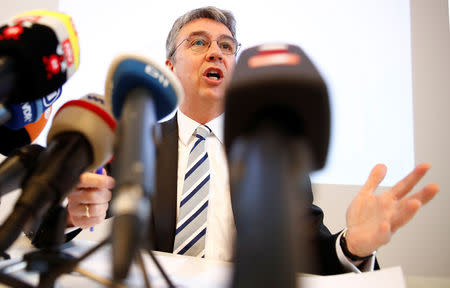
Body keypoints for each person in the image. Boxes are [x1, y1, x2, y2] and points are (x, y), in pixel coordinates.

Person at [62, 6, 439, 275]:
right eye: (198, 42)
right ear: (170, 65)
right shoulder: (136, 139)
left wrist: (352, 245)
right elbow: (64, 216)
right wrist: (70, 214)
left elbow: (310, 257)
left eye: (227, 46)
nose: (216, 52)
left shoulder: (273, 155)